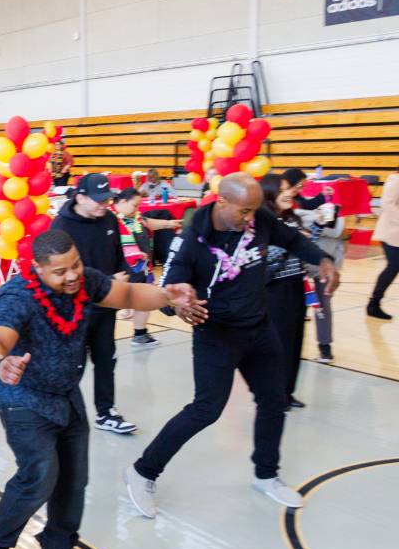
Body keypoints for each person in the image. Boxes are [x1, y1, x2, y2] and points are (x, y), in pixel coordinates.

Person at [0, 230, 202, 549]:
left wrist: (166, 295)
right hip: (21, 396)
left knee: (74, 478)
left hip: (65, 392)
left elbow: (126, 293)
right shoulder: (19, 296)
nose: (72, 275)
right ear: (38, 269)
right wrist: (0, 363)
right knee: (39, 476)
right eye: (60, 271)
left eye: (76, 264)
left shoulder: (86, 282)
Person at [123, 173, 337, 518]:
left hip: (259, 327)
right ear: (221, 202)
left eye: (254, 211)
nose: (250, 218)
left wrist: (323, 258)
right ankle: (142, 471)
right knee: (206, 409)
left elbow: (293, 241)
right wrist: (178, 301)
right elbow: (169, 289)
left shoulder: (258, 216)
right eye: (243, 212)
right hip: (216, 332)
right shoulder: (192, 238)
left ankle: (266, 474)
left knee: (274, 400)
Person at [50, 173, 137, 434]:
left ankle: (105, 412)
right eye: (98, 200)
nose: (104, 204)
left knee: (106, 359)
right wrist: (106, 281)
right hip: (74, 310)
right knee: (71, 363)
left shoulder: (109, 218)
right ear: (80, 198)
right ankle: (58, 412)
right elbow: (63, 275)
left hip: (106, 305)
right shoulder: (61, 228)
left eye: (107, 199)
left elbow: (118, 256)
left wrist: (123, 289)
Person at [259, 174, 312, 409]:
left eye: (289, 190)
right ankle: (273, 394)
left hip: (294, 284)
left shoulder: (291, 219)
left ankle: (287, 391)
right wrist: (290, 242)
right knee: (277, 344)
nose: (290, 193)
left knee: (295, 340)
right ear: (270, 194)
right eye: (283, 191)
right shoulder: (262, 222)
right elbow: (262, 257)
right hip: (274, 289)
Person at [111, 188, 182, 349]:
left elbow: (148, 222)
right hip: (124, 269)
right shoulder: (112, 220)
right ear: (122, 202)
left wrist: (169, 224)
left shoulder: (135, 218)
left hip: (140, 268)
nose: (137, 209)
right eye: (134, 205)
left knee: (142, 300)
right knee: (135, 300)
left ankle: (140, 333)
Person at [296, 199, 345, 363]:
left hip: (320, 266)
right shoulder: (296, 214)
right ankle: (324, 349)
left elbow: (336, 232)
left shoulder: (300, 216)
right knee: (320, 306)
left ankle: (325, 349)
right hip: (308, 265)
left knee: (321, 305)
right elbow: (338, 233)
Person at [368, 169, 399, 320]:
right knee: (393, 266)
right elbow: (387, 204)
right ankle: (374, 304)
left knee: (394, 267)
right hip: (391, 233)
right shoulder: (395, 180)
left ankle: (374, 304)